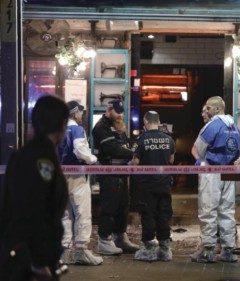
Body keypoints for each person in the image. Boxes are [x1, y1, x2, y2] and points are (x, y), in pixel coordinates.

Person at [0, 95, 69, 281]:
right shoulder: (42, 158)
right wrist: (39, 263)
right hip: (29, 262)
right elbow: (33, 209)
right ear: (62, 124)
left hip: (21, 253)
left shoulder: (27, 153)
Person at [191, 96, 240, 263]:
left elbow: (196, 149)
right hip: (229, 173)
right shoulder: (234, 126)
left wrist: (200, 162)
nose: (206, 111)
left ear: (217, 109)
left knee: (208, 210)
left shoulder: (212, 126)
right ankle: (228, 250)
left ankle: (208, 250)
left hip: (211, 173)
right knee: (227, 211)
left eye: (208, 108)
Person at [92, 99, 139, 255]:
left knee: (123, 206)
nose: (121, 115)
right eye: (118, 111)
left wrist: (132, 150)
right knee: (109, 207)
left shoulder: (118, 125)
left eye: (122, 111)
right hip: (109, 173)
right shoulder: (101, 127)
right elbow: (113, 149)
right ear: (109, 109)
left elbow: (124, 145)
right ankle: (104, 240)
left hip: (122, 172)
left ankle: (120, 237)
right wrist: (134, 153)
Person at [58, 101, 103, 266]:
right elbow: (79, 149)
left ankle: (65, 252)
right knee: (82, 212)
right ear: (75, 113)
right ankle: (81, 251)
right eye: (81, 112)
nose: (82, 115)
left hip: (59, 176)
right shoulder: (77, 129)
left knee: (65, 214)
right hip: (77, 176)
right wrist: (93, 160)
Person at [132, 111, 176, 262]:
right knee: (164, 215)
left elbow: (136, 162)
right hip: (164, 184)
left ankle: (149, 250)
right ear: (159, 121)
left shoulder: (141, 140)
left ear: (145, 123)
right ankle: (165, 250)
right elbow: (171, 160)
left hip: (147, 185)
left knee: (148, 215)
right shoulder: (169, 139)